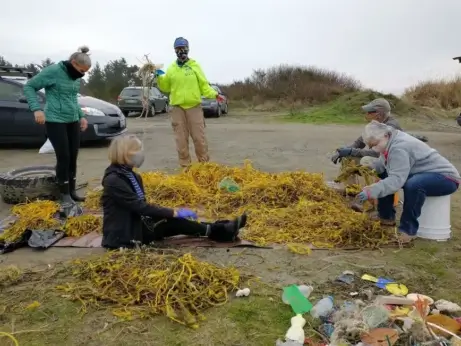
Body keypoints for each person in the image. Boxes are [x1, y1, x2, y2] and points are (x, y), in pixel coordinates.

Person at [101, 134, 247, 249]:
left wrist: (166, 214)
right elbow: (138, 206)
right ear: (126, 154)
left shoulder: (132, 176)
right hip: (124, 236)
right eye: (137, 150)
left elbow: (142, 206)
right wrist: (173, 212)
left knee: (174, 222)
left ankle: (220, 229)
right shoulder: (113, 181)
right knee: (172, 222)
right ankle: (221, 230)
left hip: (138, 225)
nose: (141, 154)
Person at [356, 121, 460, 243]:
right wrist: (368, 167)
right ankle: (386, 216)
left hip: (446, 178)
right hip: (423, 174)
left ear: (385, 135)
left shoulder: (398, 147)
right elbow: (384, 165)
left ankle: (408, 230)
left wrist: (371, 190)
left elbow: (396, 180)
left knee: (414, 185)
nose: (374, 148)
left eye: (375, 144)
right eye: (371, 146)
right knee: (384, 173)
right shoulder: (390, 141)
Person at [24, 46, 91, 205]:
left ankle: (72, 191)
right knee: (64, 157)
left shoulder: (75, 76)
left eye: (85, 72)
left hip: (72, 120)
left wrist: (81, 116)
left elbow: (72, 98)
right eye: (81, 70)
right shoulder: (53, 71)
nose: (82, 74)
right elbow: (29, 86)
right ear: (73, 63)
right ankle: (64, 193)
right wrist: (36, 109)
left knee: (73, 156)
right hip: (55, 121)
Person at [156, 37, 222, 167]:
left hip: (194, 107)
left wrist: (215, 94)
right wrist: (158, 75)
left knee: (199, 139)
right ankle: (185, 168)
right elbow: (165, 87)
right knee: (181, 141)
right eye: (178, 49)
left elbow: (204, 85)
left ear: (188, 49)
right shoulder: (171, 68)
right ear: (175, 50)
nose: (181, 51)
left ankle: (204, 166)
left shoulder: (194, 66)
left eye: (183, 48)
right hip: (177, 108)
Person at [331, 98, 402, 164]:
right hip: (385, 158)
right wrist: (346, 149)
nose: (366, 114)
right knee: (349, 157)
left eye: (369, 112)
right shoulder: (378, 123)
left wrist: (350, 151)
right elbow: (361, 141)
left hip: (395, 162)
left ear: (379, 114)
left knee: (365, 161)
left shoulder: (390, 128)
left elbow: (376, 153)